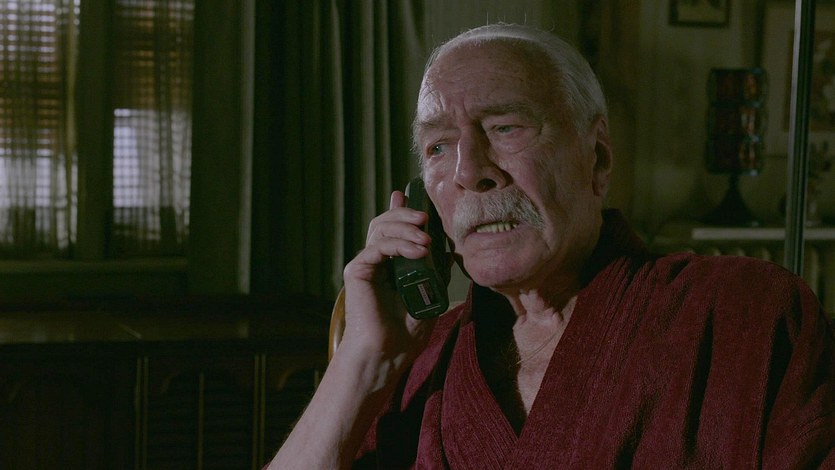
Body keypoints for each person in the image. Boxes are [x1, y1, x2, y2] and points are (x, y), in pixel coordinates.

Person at [268, 24, 835, 469]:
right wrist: (362, 363)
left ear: (598, 158)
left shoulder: (741, 312)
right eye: (439, 147)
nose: (469, 172)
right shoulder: (419, 360)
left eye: (506, 128)